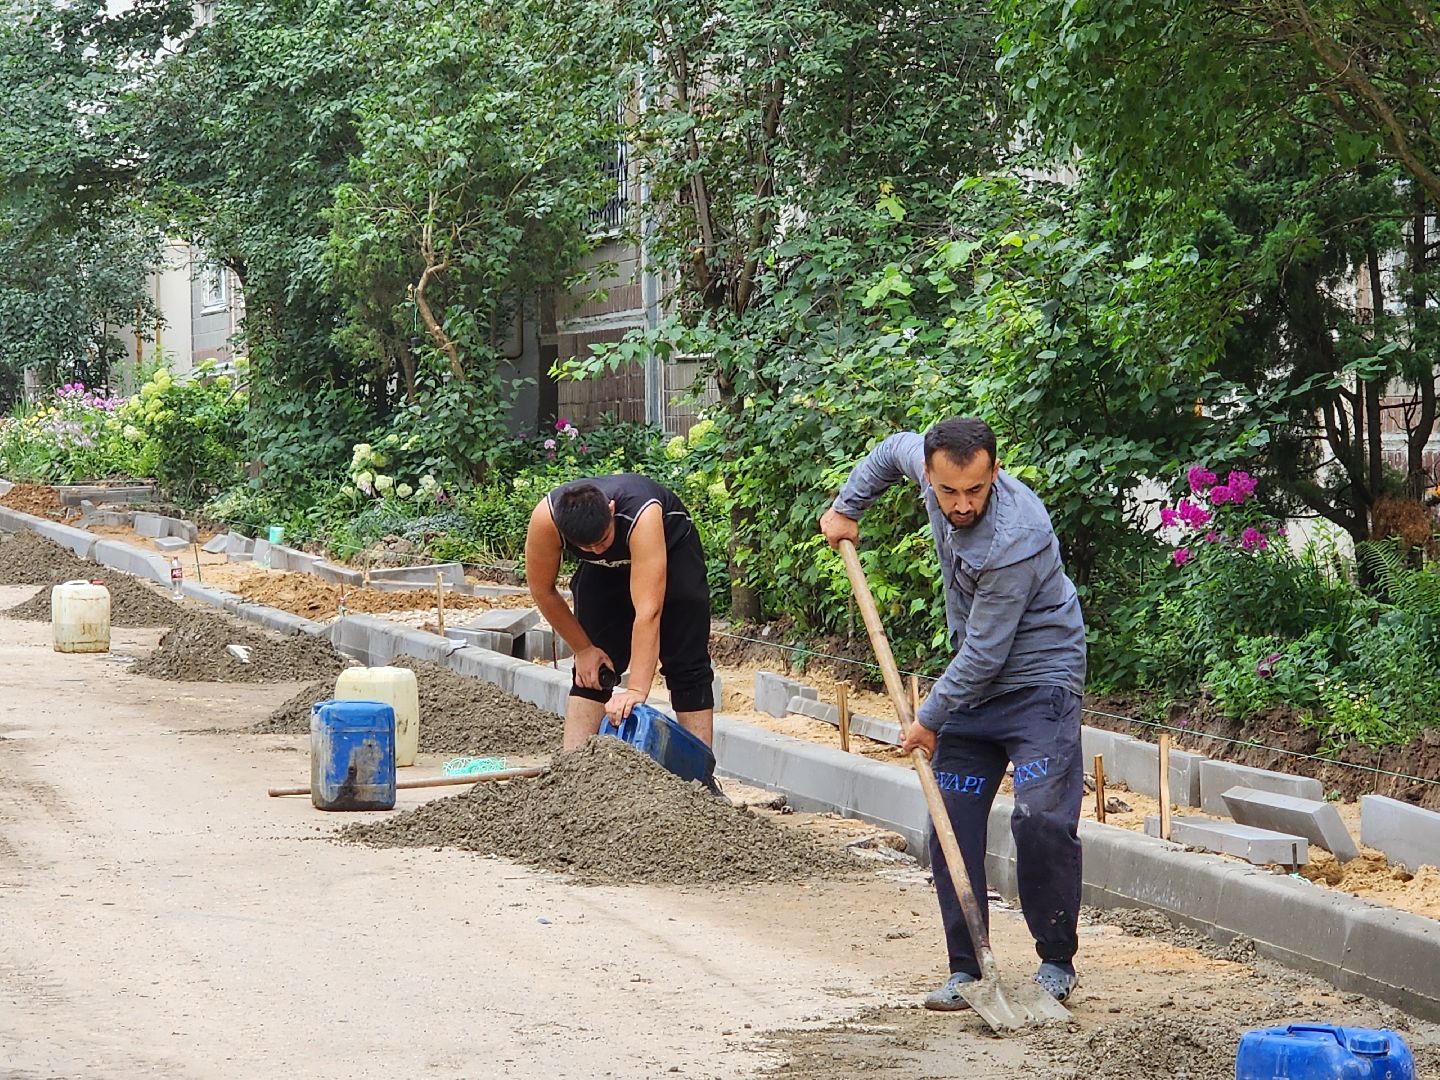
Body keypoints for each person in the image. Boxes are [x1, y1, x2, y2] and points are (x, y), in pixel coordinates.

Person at [819, 417, 1086, 1010]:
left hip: (1040, 681)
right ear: (934, 475)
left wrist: (928, 717)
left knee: (1041, 819)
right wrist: (846, 509)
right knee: (951, 819)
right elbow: (891, 451)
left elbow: (989, 652)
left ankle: (1056, 961)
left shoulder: (1018, 537)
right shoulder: (929, 467)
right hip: (975, 686)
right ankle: (968, 970)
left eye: (975, 490)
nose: (961, 505)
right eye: (948, 492)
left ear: (994, 471)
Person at [525, 473, 716, 751]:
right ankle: (573, 766)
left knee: (686, 662)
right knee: (591, 669)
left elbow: (648, 611)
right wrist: (583, 649)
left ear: (611, 510)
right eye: (585, 547)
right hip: (603, 571)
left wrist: (637, 690)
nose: (595, 548)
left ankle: (701, 776)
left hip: (672, 556)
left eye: (602, 540)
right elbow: (542, 590)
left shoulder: (643, 513)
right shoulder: (546, 519)